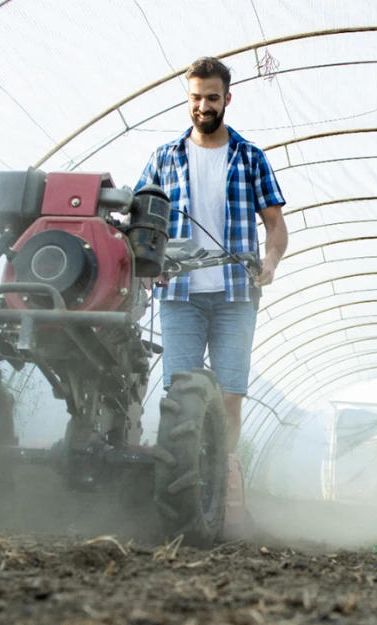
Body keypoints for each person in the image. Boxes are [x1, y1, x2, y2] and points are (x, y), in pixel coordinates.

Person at [134, 56, 288, 537]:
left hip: (236, 295)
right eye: (196, 98)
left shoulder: (250, 157)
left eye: (212, 98)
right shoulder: (163, 158)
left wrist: (270, 263)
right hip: (178, 293)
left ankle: (223, 499)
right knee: (179, 395)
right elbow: (141, 221)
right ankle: (177, 492)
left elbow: (277, 227)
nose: (203, 106)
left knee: (228, 400)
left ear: (227, 98)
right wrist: (144, 267)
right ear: (188, 97)